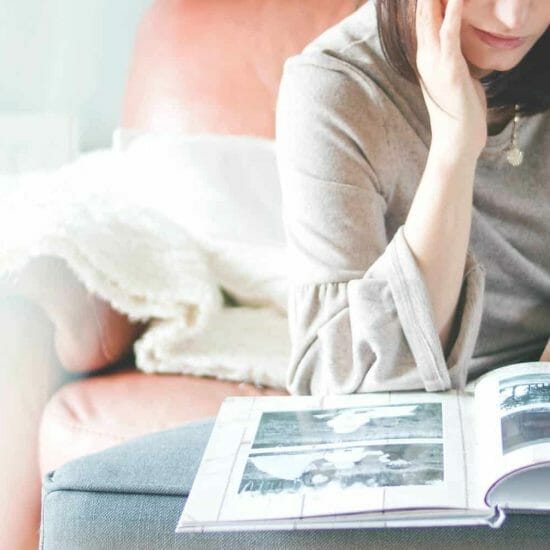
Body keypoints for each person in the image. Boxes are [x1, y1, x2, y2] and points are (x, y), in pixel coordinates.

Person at [275, 0, 550, 395]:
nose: (513, 18)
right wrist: (453, 152)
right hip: (422, 411)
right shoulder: (338, 88)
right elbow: (339, 385)